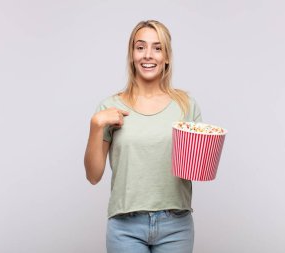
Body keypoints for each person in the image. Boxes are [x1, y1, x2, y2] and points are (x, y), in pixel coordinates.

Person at [84, 20, 202, 253]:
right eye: (140, 47)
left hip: (176, 225)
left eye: (157, 48)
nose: (148, 55)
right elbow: (93, 175)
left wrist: (203, 150)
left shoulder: (186, 106)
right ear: (132, 54)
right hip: (125, 227)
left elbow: (195, 168)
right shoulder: (110, 107)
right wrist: (96, 125)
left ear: (166, 56)